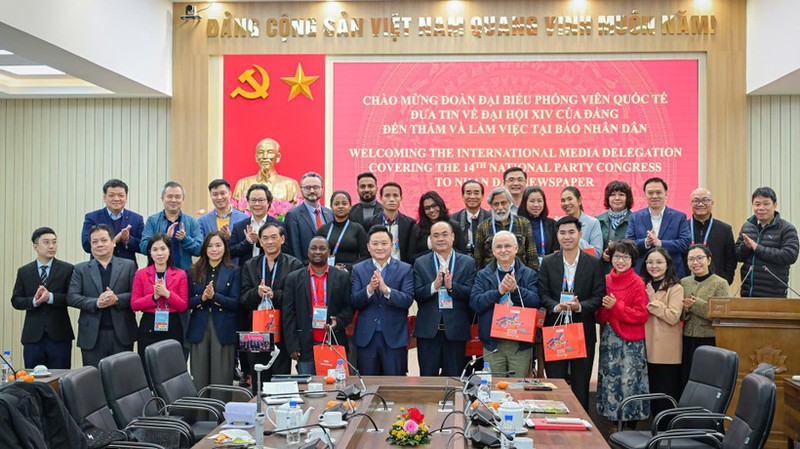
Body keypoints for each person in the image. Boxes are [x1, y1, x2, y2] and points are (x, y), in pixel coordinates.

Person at [539, 216, 605, 411]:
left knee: (580, 382)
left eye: (571, 232)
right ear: (557, 235)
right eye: (562, 232)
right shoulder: (548, 262)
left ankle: (581, 422)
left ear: (580, 234)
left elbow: (599, 295)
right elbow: (542, 293)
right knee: (555, 381)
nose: (567, 237)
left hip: (582, 329)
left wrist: (580, 306)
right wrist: (555, 306)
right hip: (555, 329)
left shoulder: (593, 262)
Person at [240, 223, 303, 390]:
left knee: (280, 381)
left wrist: (275, 294)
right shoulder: (250, 265)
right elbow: (243, 299)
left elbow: (297, 300)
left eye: (274, 237)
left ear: (282, 239)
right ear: (259, 241)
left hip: (281, 330)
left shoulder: (294, 265)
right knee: (259, 379)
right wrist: (257, 292)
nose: (269, 242)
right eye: (265, 238)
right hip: (256, 331)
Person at [595, 239, 650, 427]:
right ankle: (612, 426)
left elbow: (642, 315)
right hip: (610, 339)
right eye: (617, 256)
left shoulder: (637, 283)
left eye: (625, 257)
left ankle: (629, 428)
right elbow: (600, 312)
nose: (620, 261)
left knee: (630, 383)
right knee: (610, 380)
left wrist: (616, 306)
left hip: (631, 343)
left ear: (633, 260)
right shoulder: (605, 280)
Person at [470, 230, 539, 377]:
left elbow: (535, 302)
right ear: (493, 251)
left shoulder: (529, 274)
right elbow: (475, 303)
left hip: (520, 343)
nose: (503, 250)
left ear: (516, 248)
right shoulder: (483, 275)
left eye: (507, 246)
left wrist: (516, 290)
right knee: (495, 388)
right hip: (493, 343)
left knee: (518, 388)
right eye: (499, 247)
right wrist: (499, 291)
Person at [67, 224, 137, 367]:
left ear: (113, 242)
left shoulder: (129, 265)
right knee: (94, 379)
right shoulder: (80, 269)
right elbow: (72, 297)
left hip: (122, 333)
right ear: (91, 246)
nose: (99, 244)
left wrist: (117, 299)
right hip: (92, 334)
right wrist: (96, 303)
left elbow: (136, 295)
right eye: (95, 242)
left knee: (122, 379)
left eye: (104, 240)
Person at [413, 221, 476, 376]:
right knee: (428, 379)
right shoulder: (420, 263)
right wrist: (434, 286)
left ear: (453, 237)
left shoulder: (467, 262)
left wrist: (451, 287)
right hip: (428, 332)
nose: (440, 239)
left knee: (454, 380)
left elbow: (471, 293)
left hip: (455, 331)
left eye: (444, 234)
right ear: (430, 239)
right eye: (436, 235)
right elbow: (416, 294)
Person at [283, 236, 354, 375]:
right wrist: (292, 345)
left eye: (322, 248)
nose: (317, 252)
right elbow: (288, 314)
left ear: (329, 252)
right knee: (309, 391)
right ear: (308, 251)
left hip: (334, 343)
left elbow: (349, 308)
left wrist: (338, 321)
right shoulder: (294, 278)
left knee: (335, 389)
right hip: (305, 345)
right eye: (313, 248)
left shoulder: (342, 277)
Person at [350, 226, 415, 375]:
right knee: (368, 385)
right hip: (367, 337)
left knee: (394, 384)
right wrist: (370, 289)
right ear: (368, 246)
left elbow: (407, 299)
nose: (380, 247)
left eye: (384, 243)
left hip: (394, 337)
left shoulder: (405, 269)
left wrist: (386, 290)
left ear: (392, 245)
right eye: (375, 243)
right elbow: (354, 300)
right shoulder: (358, 269)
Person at [187, 231, 242, 399]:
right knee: (199, 378)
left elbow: (236, 302)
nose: (214, 249)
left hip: (223, 328)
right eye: (210, 246)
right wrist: (202, 298)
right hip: (199, 327)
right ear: (204, 249)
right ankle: (200, 418)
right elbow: (186, 302)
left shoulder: (234, 271)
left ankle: (219, 420)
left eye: (218, 245)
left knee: (221, 378)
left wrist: (214, 297)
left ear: (225, 248)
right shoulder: (194, 270)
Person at [11, 227, 74, 369]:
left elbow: (72, 298)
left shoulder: (67, 269)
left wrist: (50, 297)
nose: (51, 246)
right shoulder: (24, 271)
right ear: (35, 246)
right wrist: (34, 301)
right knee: (34, 381)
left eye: (54, 242)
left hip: (60, 335)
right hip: (33, 336)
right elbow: (16, 300)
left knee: (59, 379)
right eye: (46, 242)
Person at [130, 233, 189, 360]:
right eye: (155, 250)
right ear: (150, 253)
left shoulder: (180, 274)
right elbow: (134, 304)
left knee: (171, 365)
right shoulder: (141, 274)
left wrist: (167, 294)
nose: (159, 253)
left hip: (172, 323)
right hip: (149, 323)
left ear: (169, 251)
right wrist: (154, 297)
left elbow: (183, 306)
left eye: (163, 249)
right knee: (148, 364)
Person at [641, 247, 684, 418]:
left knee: (665, 397)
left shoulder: (675, 287)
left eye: (659, 262)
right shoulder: (643, 284)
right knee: (650, 395)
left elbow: (673, 317)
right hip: (645, 347)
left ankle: (666, 436)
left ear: (667, 264)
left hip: (666, 352)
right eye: (650, 262)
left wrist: (653, 300)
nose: (654, 266)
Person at [680, 244, 730, 389]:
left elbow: (721, 314)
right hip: (687, 338)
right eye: (691, 259)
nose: (695, 262)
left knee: (706, 380)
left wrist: (695, 305)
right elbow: (681, 314)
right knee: (687, 379)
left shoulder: (720, 283)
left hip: (709, 339)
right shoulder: (684, 282)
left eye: (699, 258)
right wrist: (686, 310)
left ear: (708, 260)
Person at [735, 186, 799, 297]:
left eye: (766, 204)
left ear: (775, 205)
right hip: (747, 293)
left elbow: (790, 256)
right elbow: (737, 256)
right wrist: (746, 246)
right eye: (757, 204)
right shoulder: (747, 227)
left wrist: (757, 247)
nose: (761, 208)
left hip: (774, 294)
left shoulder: (786, 228)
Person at [625, 177, 691, 277]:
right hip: (643, 273)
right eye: (650, 193)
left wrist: (660, 243)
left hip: (672, 272)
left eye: (659, 192)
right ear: (645, 195)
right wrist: (646, 242)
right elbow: (629, 243)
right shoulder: (635, 217)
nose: (654, 196)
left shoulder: (679, 217)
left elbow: (685, 243)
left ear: (666, 194)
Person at [141, 181, 203, 271]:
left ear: (183, 200)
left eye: (177, 197)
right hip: (158, 274)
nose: (173, 200)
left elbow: (199, 250)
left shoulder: (192, 222)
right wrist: (165, 238)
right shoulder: (152, 221)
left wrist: (185, 239)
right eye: (170, 196)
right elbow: (143, 247)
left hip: (184, 275)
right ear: (162, 198)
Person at [81, 179, 144, 265]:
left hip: (127, 270)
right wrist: (113, 240)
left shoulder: (136, 219)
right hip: (99, 267)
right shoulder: (92, 217)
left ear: (126, 198)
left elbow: (143, 247)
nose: (116, 199)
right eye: (111, 195)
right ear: (104, 198)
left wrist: (128, 240)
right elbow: (86, 246)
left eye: (121, 195)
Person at [473, 188, 538, 271]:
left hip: (519, 275)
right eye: (496, 204)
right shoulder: (482, 227)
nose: (500, 207)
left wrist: (532, 279)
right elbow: (478, 260)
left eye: (503, 203)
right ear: (491, 206)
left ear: (510, 203)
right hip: (491, 277)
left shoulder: (524, 223)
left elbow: (532, 256)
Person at [685, 188, 737, 284]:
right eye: (696, 201)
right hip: (687, 283)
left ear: (712, 203)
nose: (700, 204)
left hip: (716, 284)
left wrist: (726, 280)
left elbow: (731, 259)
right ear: (691, 204)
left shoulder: (724, 229)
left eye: (705, 200)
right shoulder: (683, 228)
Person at [229, 184, 287, 267]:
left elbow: (286, 250)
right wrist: (247, 242)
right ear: (248, 202)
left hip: (272, 272)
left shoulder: (279, 225)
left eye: (261, 200)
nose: (257, 204)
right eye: (253, 200)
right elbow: (230, 252)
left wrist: (261, 241)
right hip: (246, 274)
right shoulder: (239, 226)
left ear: (269, 202)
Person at [232, 137, 301, 203]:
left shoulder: (290, 185)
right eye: (261, 152)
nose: (265, 156)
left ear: (278, 157)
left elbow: (297, 211)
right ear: (256, 157)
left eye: (270, 152)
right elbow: (236, 211)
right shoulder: (242, 184)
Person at [285, 172, 333, 264]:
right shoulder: (293, 215)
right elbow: (294, 247)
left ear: (322, 189)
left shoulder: (330, 214)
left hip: (329, 267)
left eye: (315, 187)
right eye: (307, 188)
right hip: (306, 268)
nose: (312, 191)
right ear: (301, 190)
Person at [316, 190, 368, 271]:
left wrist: (348, 268)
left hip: (351, 273)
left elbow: (365, 256)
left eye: (344, 203)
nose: (340, 206)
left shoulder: (358, 229)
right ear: (331, 207)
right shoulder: (323, 229)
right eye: (336, 204)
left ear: (350, 206)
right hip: (328, 273)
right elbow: (316, 254)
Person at [409, 191, 467, 261]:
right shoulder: (417, 229)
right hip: (427, 269)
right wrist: (433, 251)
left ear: (440, 205)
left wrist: (446, 250)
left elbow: (463, 253)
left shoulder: (454, 226)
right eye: (427, 208)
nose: (431, 210)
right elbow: (411, 257)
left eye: (434, 206)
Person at [366, 182, 415, 264]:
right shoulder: (370, 222)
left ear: (401, 198)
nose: (392, 199)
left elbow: (411, 253)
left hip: (401, 269)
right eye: (387, 196)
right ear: (380, 198)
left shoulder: (410, 224)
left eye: (395, 195)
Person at [596, 181, 634, 272]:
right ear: (608, 198)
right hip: (602, 271)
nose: (617, 198)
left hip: (627, 271)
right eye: (613, 195)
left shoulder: (635, 219)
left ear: (627, 198)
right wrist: (602, 254)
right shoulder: (596, 221)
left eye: (621, 195)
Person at [517, 186, 559, 262]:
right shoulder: (517, 224)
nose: (536, 205)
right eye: (532, 201)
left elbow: (557, 250)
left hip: (547, 267)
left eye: (539, 201)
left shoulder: (552, 225)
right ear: (525, 202)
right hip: (525, 269)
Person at [560, 186, 603, 256]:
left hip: (586, 265)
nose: (566, 203)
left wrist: (574, 238)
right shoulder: (559, 223)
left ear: (579, 200)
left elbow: (597, 253)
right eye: (563, 200)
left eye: (570, 199)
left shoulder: (593, 223)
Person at [452, 179, 491, 257]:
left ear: (482, 196)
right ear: (463, 196)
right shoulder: (453, 219)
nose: (472, 197)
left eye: (476, 193)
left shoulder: (491, 219)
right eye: (468, 193)